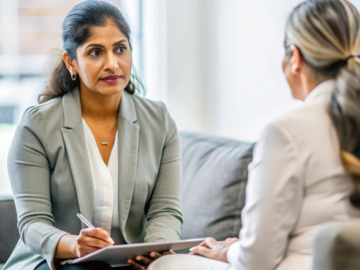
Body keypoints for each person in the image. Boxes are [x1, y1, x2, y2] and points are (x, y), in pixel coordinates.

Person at [148, 0, 360, 269]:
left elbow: (257, 260)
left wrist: (229, 249)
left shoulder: (286, 130)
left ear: (295, 58)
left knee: (165, 265)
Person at [3, 1, 182, 270]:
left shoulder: (159, 121)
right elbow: (33, 224)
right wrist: (74, 244)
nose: (112, 64)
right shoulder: (37, 125)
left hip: (131, 263)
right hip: (55, 261)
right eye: (95, 52)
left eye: (120, 49)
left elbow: (165, 210)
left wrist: (157, 248)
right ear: (71, 62)